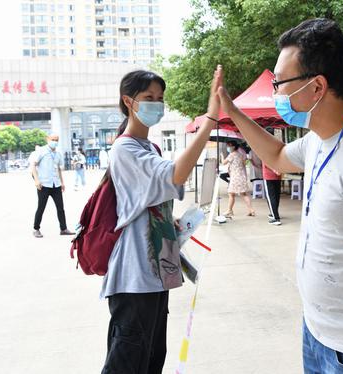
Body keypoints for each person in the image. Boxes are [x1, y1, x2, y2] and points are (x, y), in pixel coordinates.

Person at [217, 18, 343, 373]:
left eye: (280, 83)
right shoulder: (321, 138)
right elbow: (279, 158)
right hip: (318, 334)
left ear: (316, 87)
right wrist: (233, 112)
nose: (276, 93)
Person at [100, 66, 223, 374]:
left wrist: (174, 225)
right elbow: (176, 174)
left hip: (156, 270)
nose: (157, 103)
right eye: (148, 97)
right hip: (134, 275)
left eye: (160, 97)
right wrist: (209, 119)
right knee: (128, 363)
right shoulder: (125, 148)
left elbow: (158, 197)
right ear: (129, 102)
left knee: (153, 358)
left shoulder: (150, 148)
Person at [31, 133, 74, 238]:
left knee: (60, 208)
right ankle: (36, 229)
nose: (55, 141)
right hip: (44, 185)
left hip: (56, 185)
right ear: (47, 139)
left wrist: (62, 182)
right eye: (53, 139)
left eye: (56, 140)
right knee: (41, 207)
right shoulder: (42, 151)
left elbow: (58, 169)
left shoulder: (58, 154)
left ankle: (63, 229)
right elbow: (33, 165)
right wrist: (36, 180)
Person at [222, 140, 255, 217]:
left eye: (228, 146)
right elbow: (243, 163)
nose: (228, 147)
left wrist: (221, 156)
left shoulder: (232, 155)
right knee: (243, 194)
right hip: (241, 176)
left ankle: (229, 210)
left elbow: (224, 162)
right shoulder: (240, 154)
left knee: (231, 194)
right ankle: (251, 209)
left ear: (232, 146)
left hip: (235, 177)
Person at [263, 161, 282, 226]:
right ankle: (274, 213)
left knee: (270, 197)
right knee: (276, 195)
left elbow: (266, 162)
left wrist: (274, 170)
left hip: (269, 175)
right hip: (278, 175)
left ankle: (276, 218)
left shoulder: (264, 151)